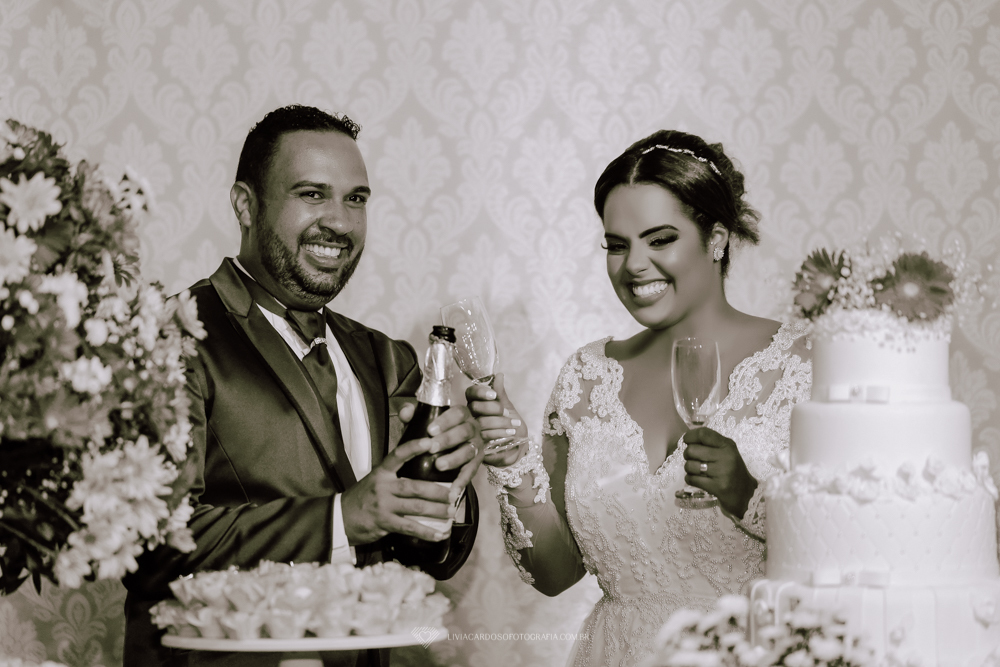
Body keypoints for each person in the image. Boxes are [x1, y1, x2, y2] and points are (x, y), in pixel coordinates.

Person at [123, 105, 484, 667]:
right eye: (312, 194)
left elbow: (427, 556)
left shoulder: (388, 358)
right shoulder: (169, 337)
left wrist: (446, 490)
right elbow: (154, 549)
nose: (339, 222)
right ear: (245, 205)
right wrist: (343, 516)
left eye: (355, 199)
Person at [468, 130, 812, 666]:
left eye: (660, 239)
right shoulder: (587, 376)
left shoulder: (804, 364)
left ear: (717, 239)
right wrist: (512, 461)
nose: (634, 265)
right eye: (617, 245)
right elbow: (555, 574)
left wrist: (747, 495)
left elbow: (846, 551)